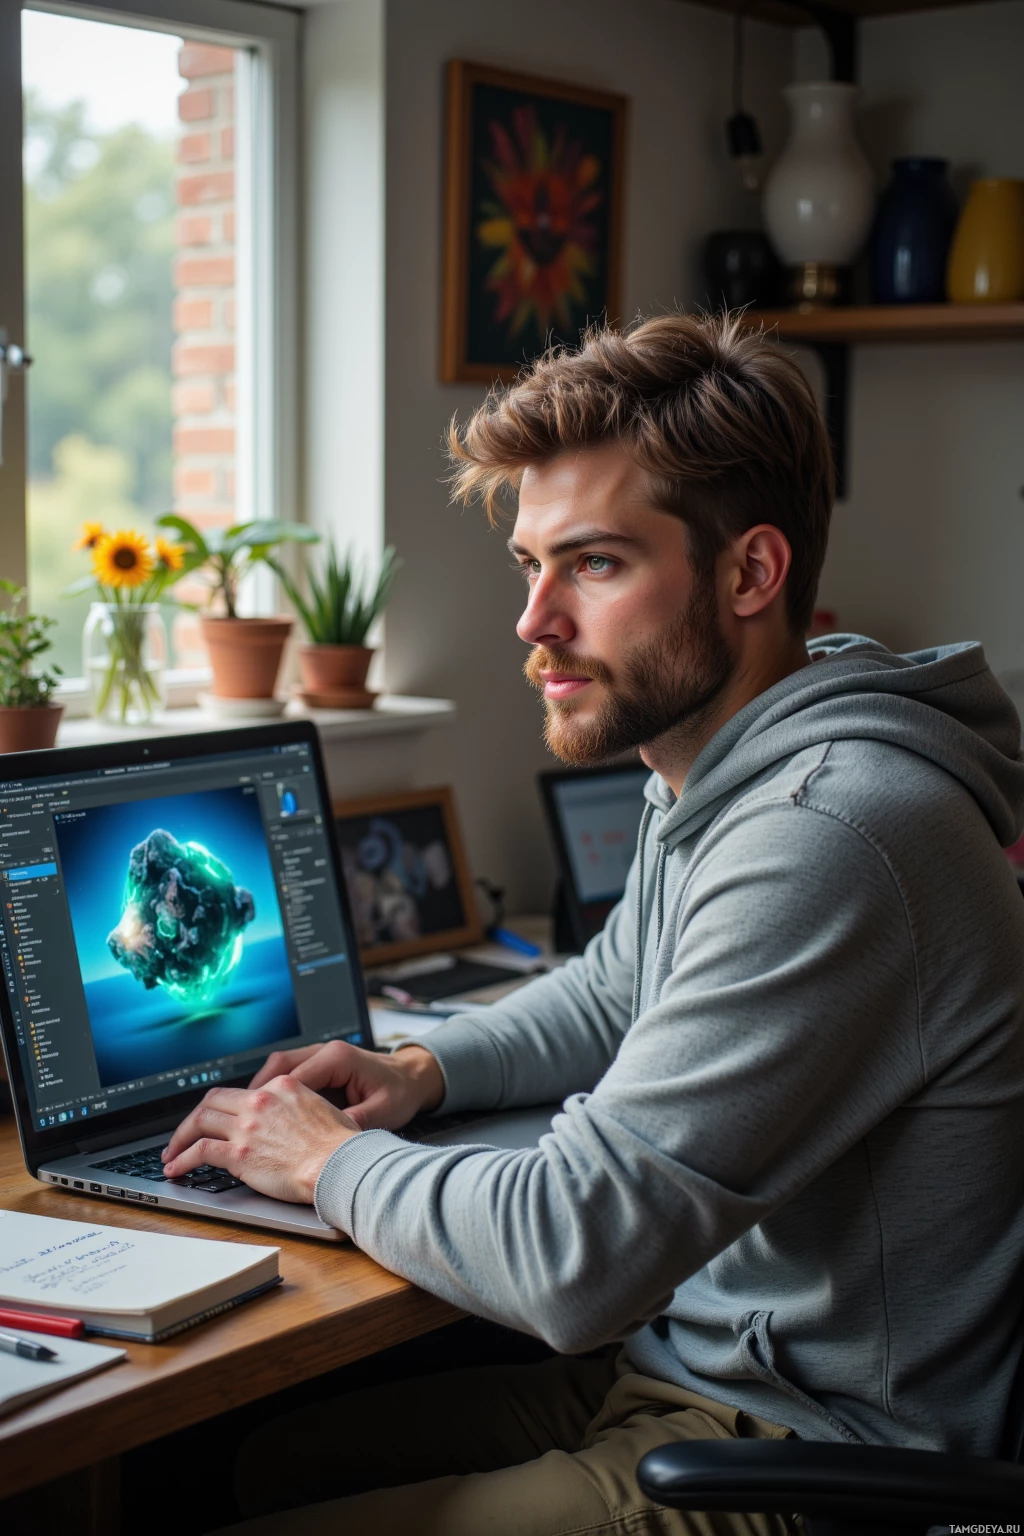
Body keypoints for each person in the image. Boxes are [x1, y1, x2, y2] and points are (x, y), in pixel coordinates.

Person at [165, 313, 1024, 1535]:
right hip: (696, 1375)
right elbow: (620, 987)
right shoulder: (720, 760)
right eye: (531, 562)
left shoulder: (829, 832)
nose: (534, 621)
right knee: (249, 1463)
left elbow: (573, 1254)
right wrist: (419, 1071)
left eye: (597, 564)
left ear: (749, 574)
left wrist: (325, 1161)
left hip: (817, 1445)